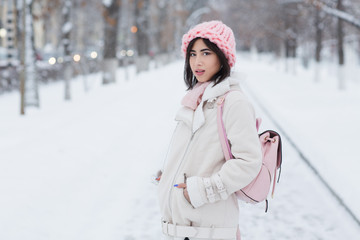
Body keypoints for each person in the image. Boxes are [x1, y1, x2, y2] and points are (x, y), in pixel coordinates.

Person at [157, 20, 262, 240]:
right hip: (181, 231)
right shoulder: (194, 101)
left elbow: (248, 162)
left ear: (223, 57)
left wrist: (199, 191)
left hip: (210, 231)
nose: (197, 62)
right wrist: (170, 176)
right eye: (192, 54)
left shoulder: (234, 102)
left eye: (206, 53)